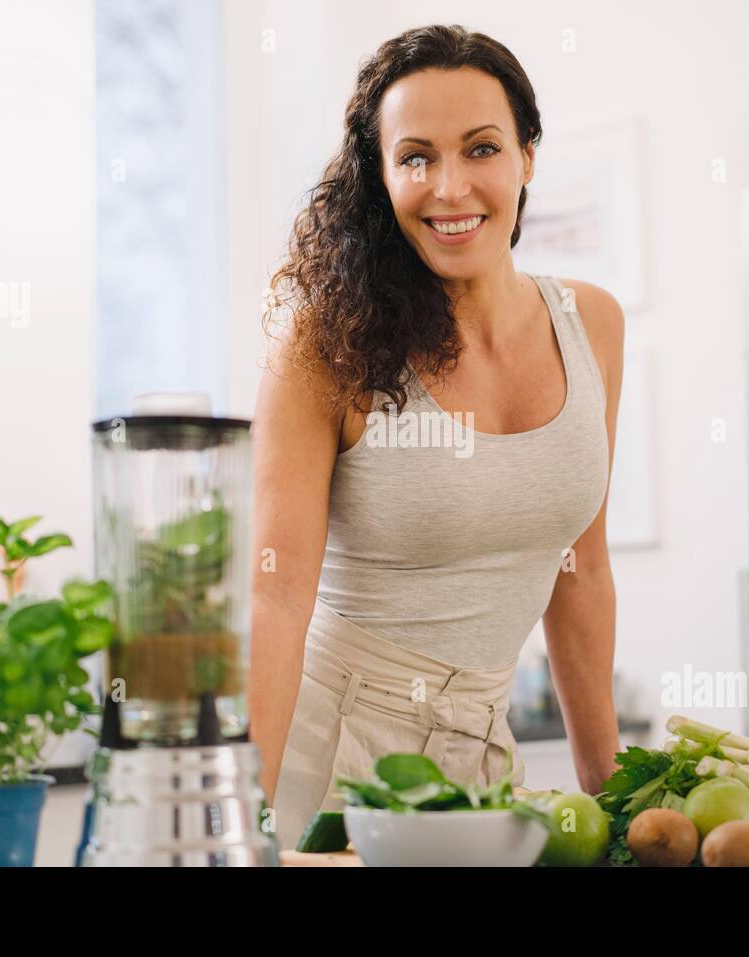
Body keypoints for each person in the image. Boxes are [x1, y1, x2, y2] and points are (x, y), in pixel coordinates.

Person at [250, 23, 625, 851]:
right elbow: (276, 595)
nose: (449, 187)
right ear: (381, 176)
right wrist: (232, 824)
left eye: (481, 148)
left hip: (483, 766)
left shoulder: (591, 325)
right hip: (331, 755)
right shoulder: (325, 343)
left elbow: (581, 570)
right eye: (415, 156)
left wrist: (616, 799)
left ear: (528, 155)